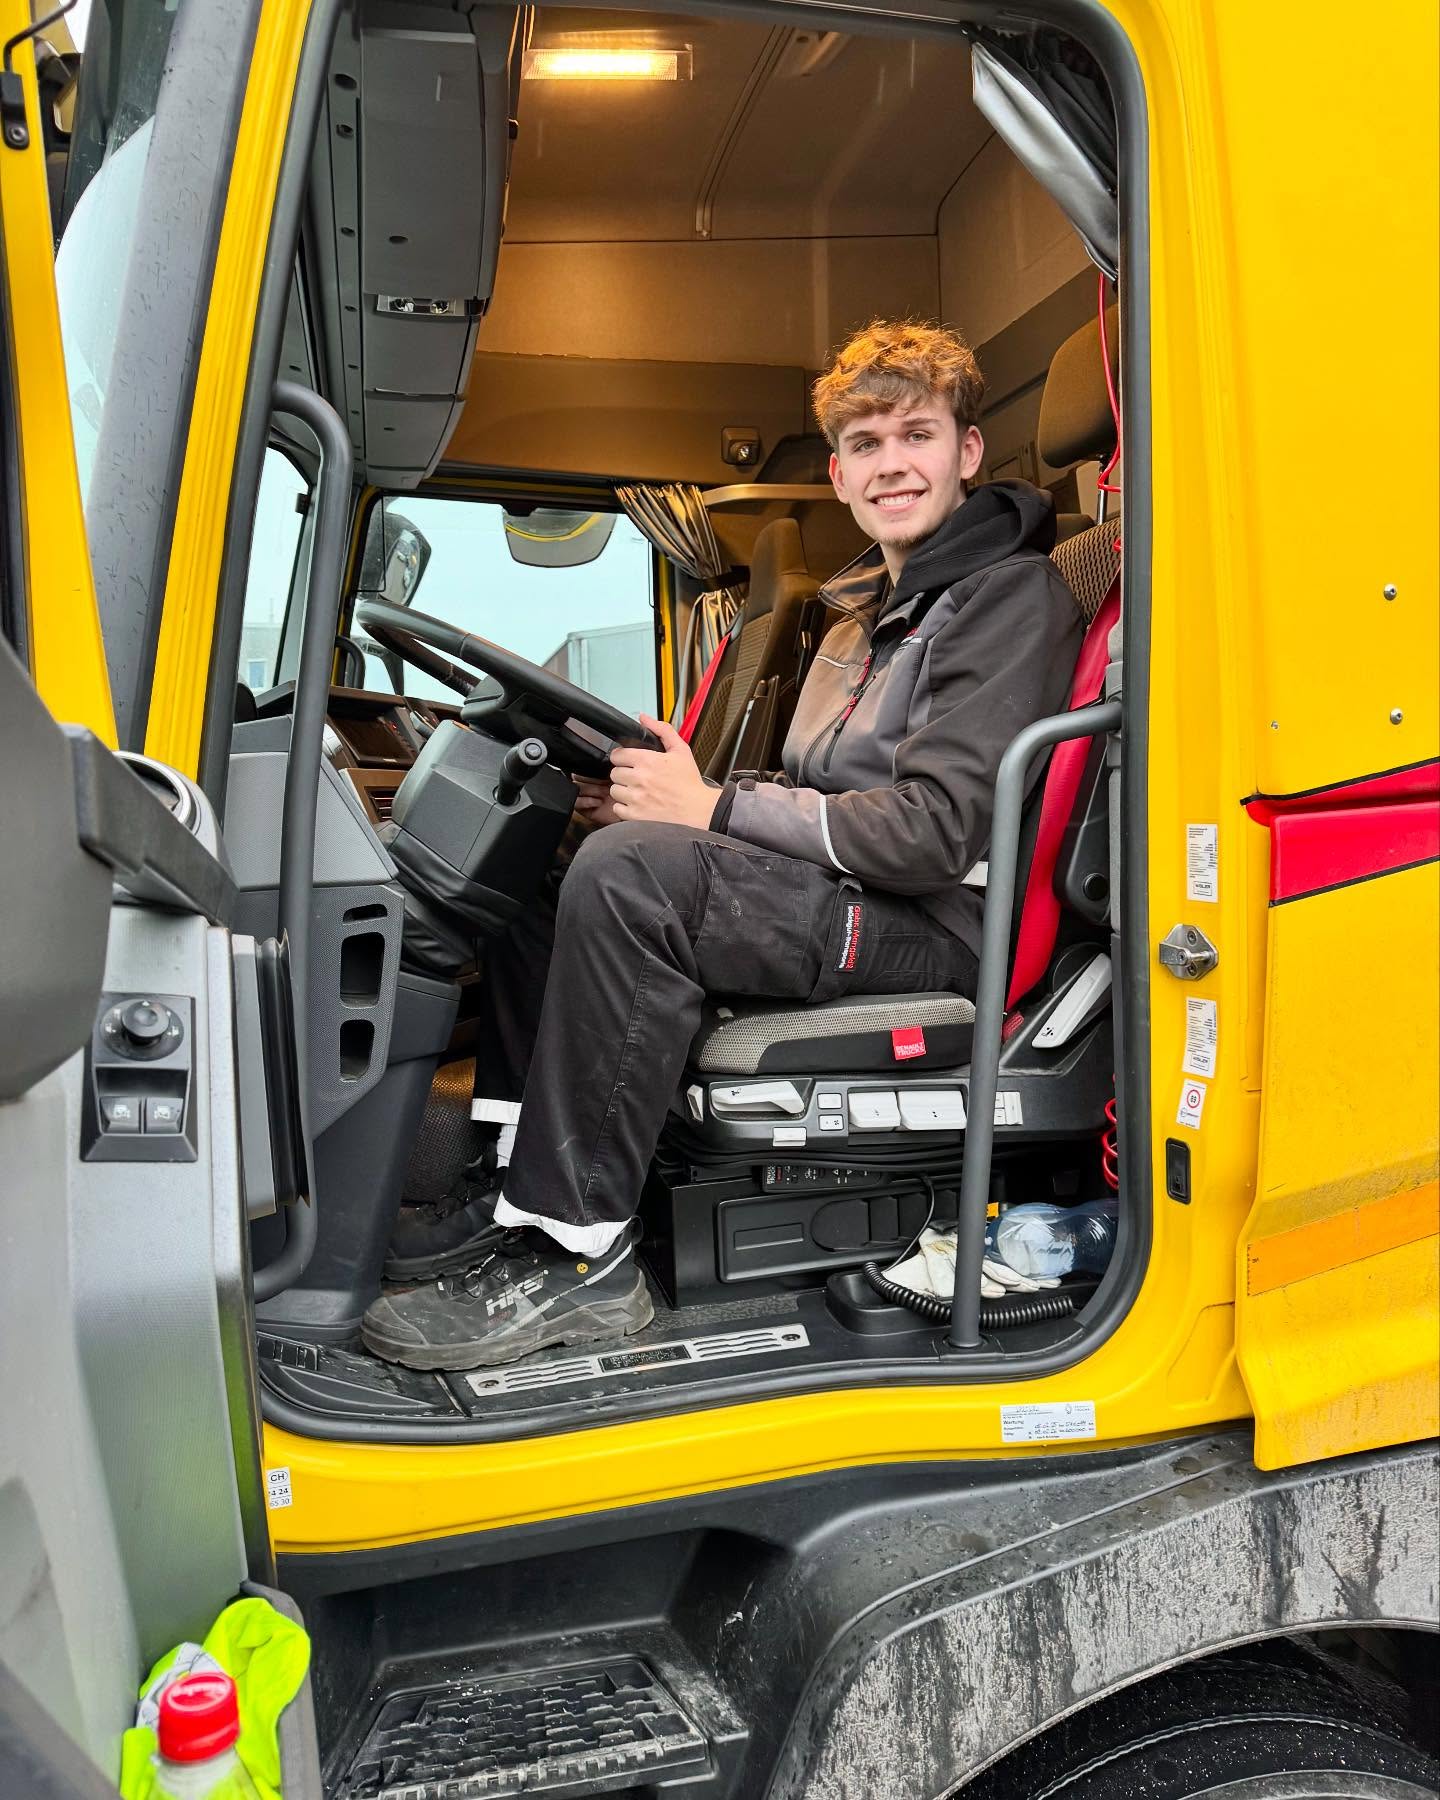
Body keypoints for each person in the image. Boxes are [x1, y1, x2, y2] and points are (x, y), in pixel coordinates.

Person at [361, 319, 1084, 1372]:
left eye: (917, 436)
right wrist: (681, 794)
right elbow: (819, 788)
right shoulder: (863, 619)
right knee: (551, 863)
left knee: (632, 877)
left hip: (932, 925)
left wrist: (706, 816)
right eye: (869, 447)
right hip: (853, 889)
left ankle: (581, 1257)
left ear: (967, 453)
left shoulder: (1007, 599)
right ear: (837, 475)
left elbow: (933, 832)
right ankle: (520, 1185)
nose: (894, 465)